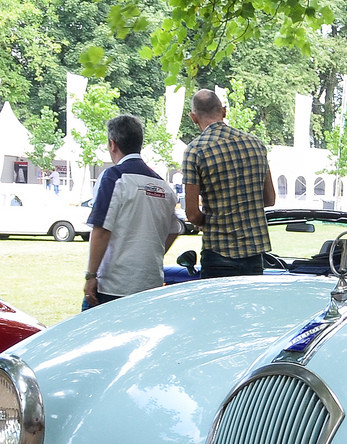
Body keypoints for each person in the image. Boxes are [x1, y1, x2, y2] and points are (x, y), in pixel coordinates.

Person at [83, 113, 181, 307]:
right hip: (149, 281)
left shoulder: (114, 177)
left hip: (113, 286)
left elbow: (102, 229)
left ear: (113, 144)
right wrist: (149, 253)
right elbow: (174, 229)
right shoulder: (163, 185)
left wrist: (91, 275)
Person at [180, 88, 275, 277]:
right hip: (254, 254)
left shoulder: (195, 151)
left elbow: (192, 214)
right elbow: (269, 199)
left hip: (218, 254)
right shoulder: (256, 145)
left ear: (193, 117)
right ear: (223, 111)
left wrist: (211, 219)